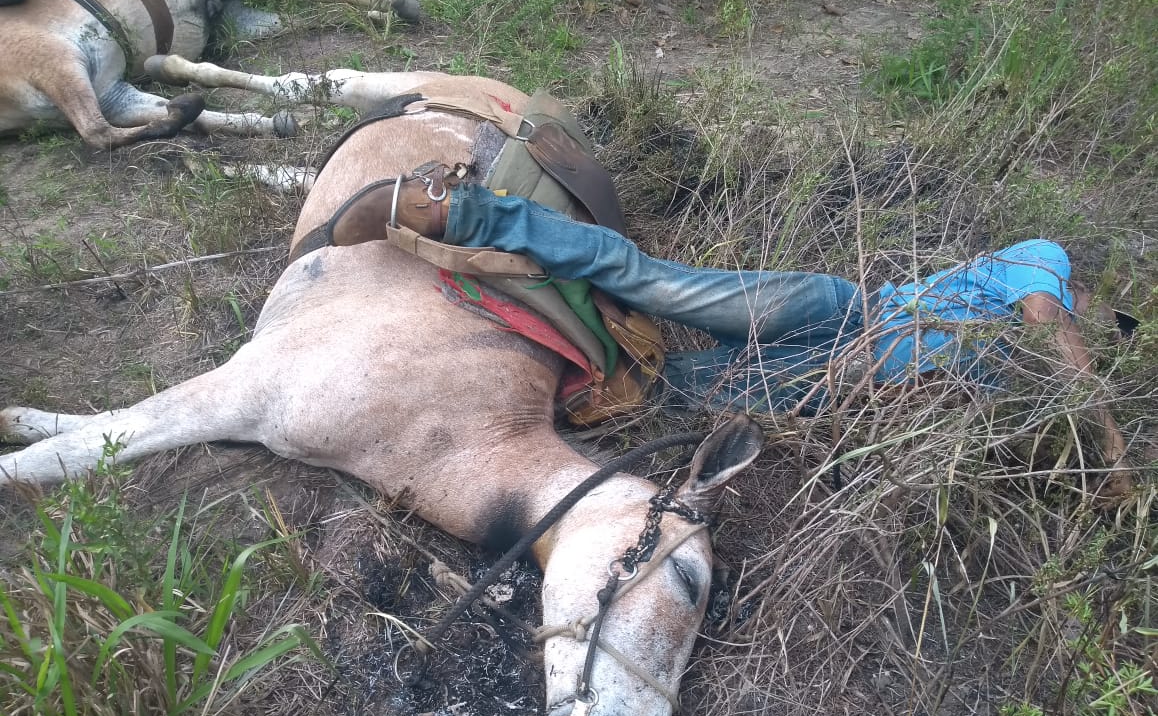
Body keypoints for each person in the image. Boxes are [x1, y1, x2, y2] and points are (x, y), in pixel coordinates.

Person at [384, 170, 1133, 499]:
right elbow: (1049, 331)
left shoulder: (1023, 388)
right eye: (1118, 323)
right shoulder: (1048, 265)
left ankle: (493, 400)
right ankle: (469, 214)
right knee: (651, 281)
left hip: (845, 384)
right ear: (1100, 292)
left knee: (667, 394)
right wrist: (1114, 454)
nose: (1111, 336)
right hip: (846, 313)